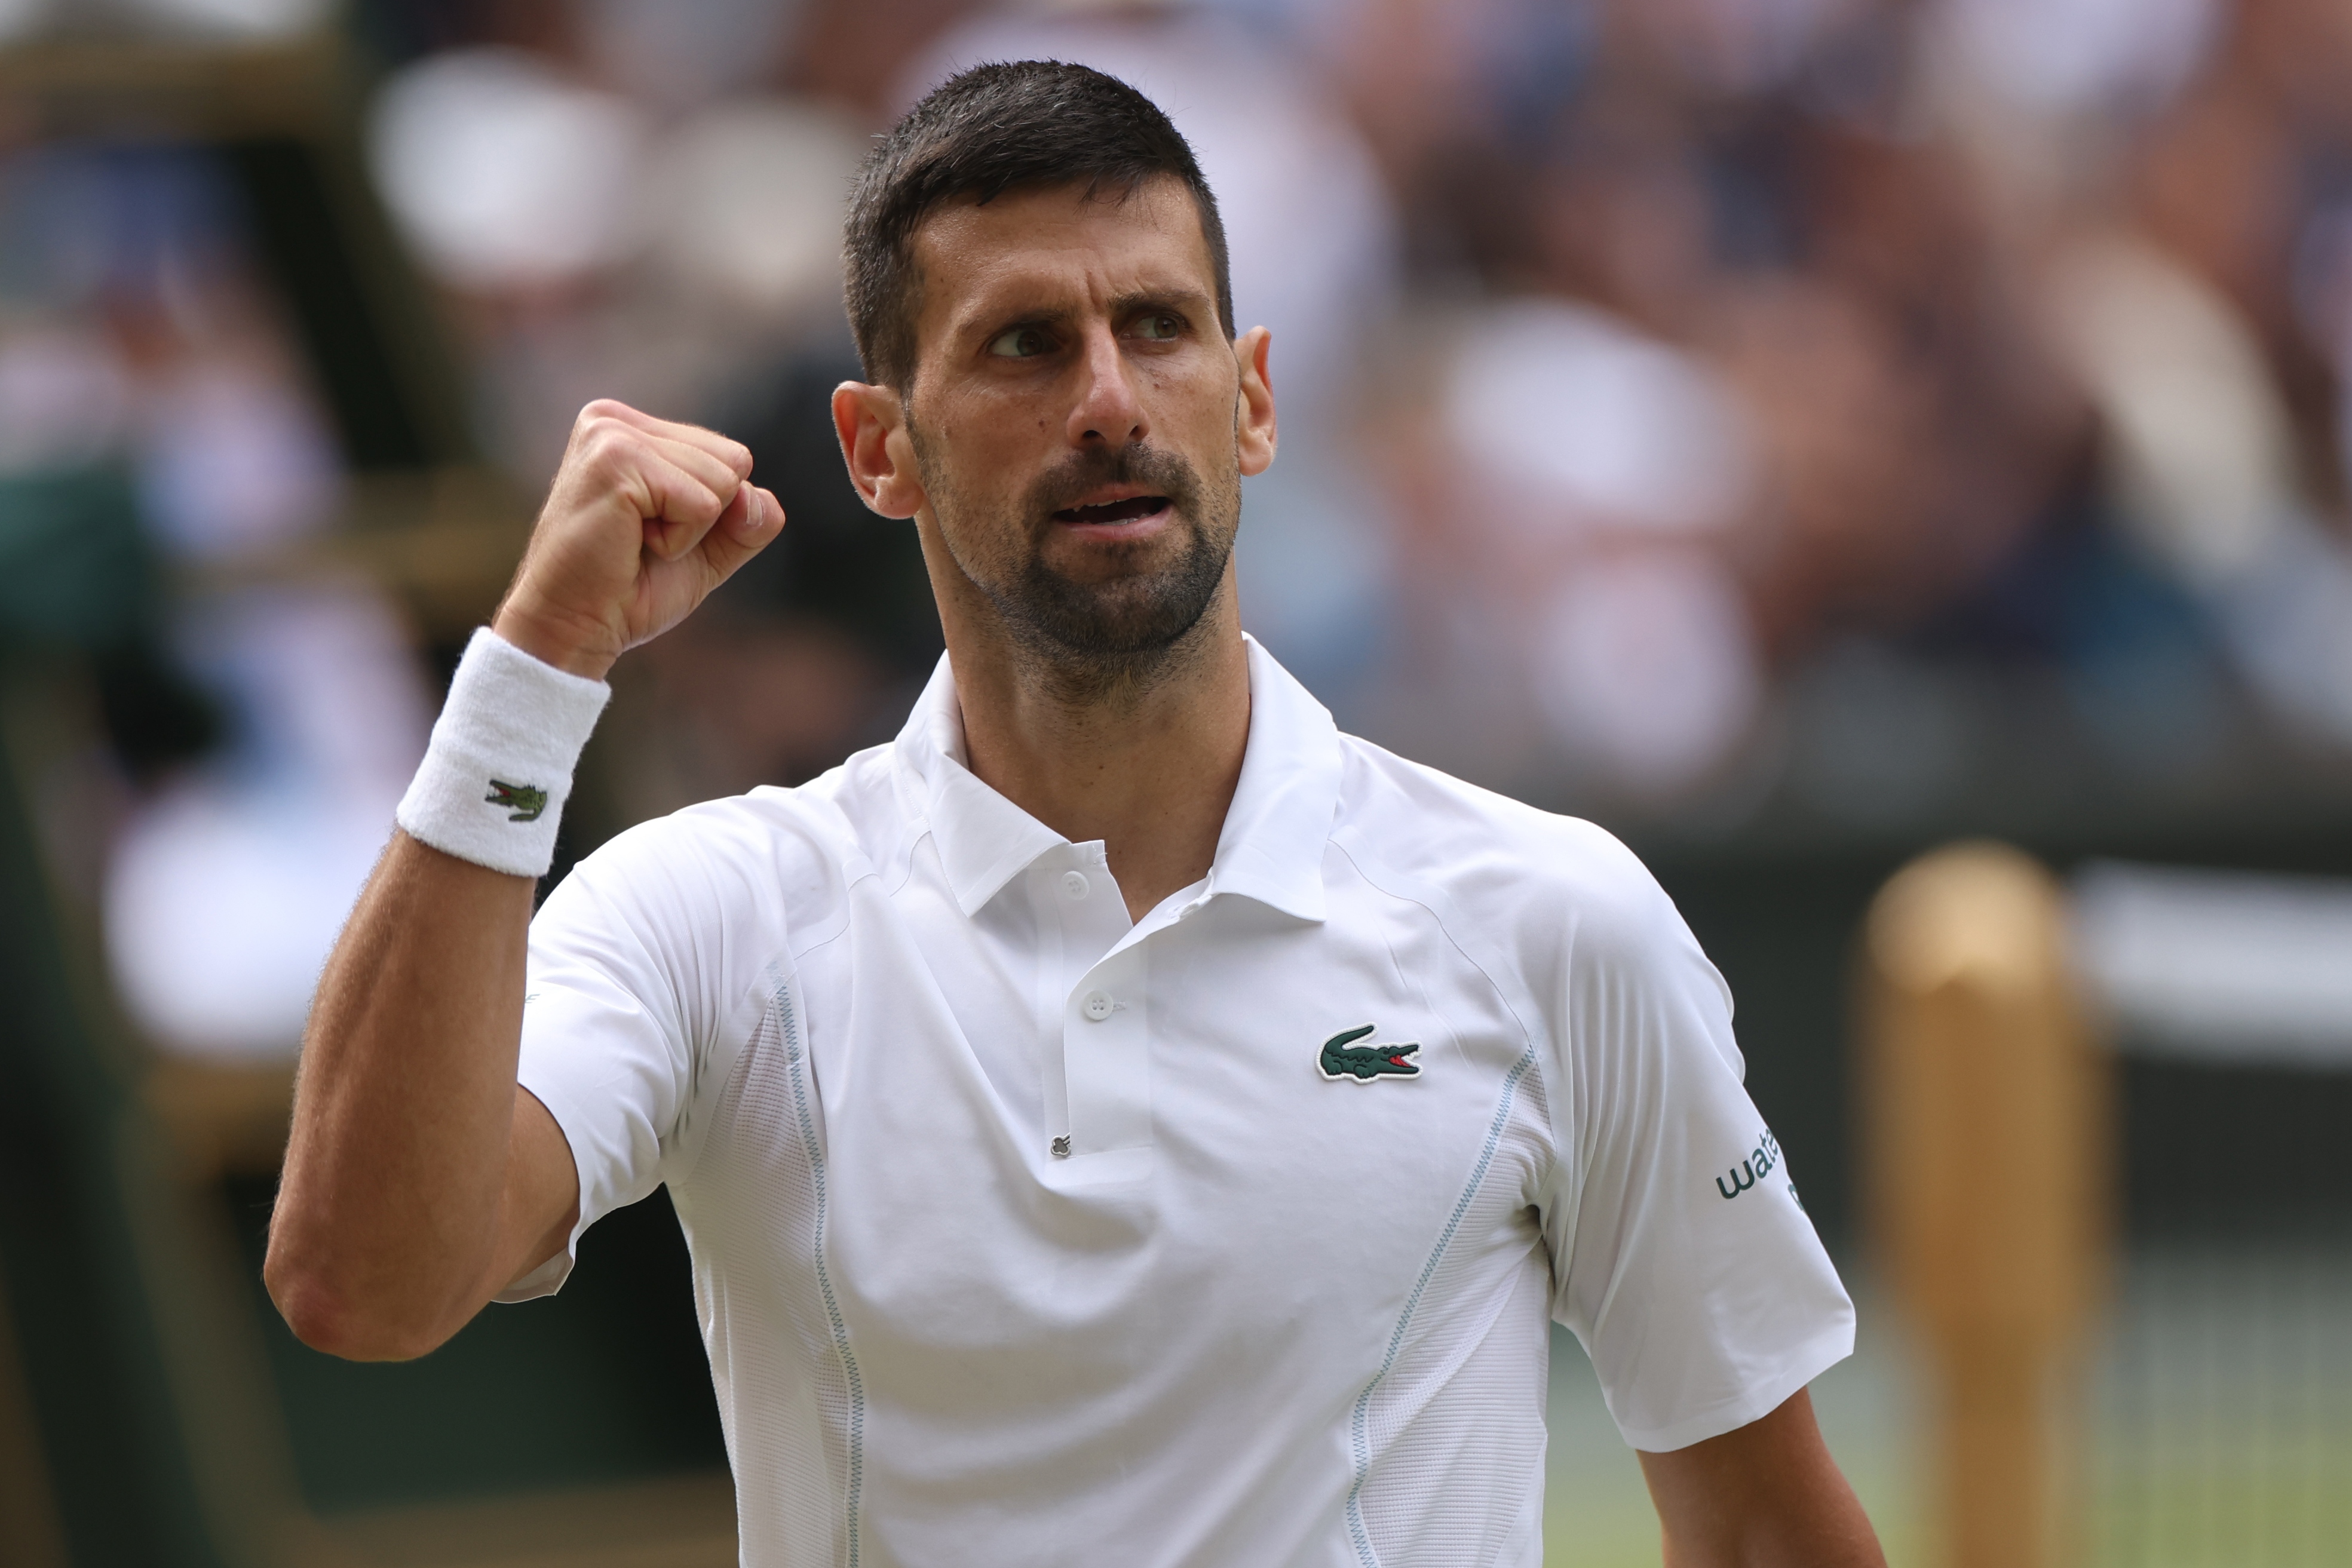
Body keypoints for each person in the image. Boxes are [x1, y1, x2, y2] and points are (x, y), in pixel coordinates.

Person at [267, 61, 1885, 1568]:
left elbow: (1766, 1534)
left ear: (1249, 402)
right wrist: (534, 670)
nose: (1109, 398)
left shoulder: (1551, 920)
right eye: (1024, 344)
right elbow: (365, 1280)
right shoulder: (714, 912)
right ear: (876, 450)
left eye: (1160, 329)